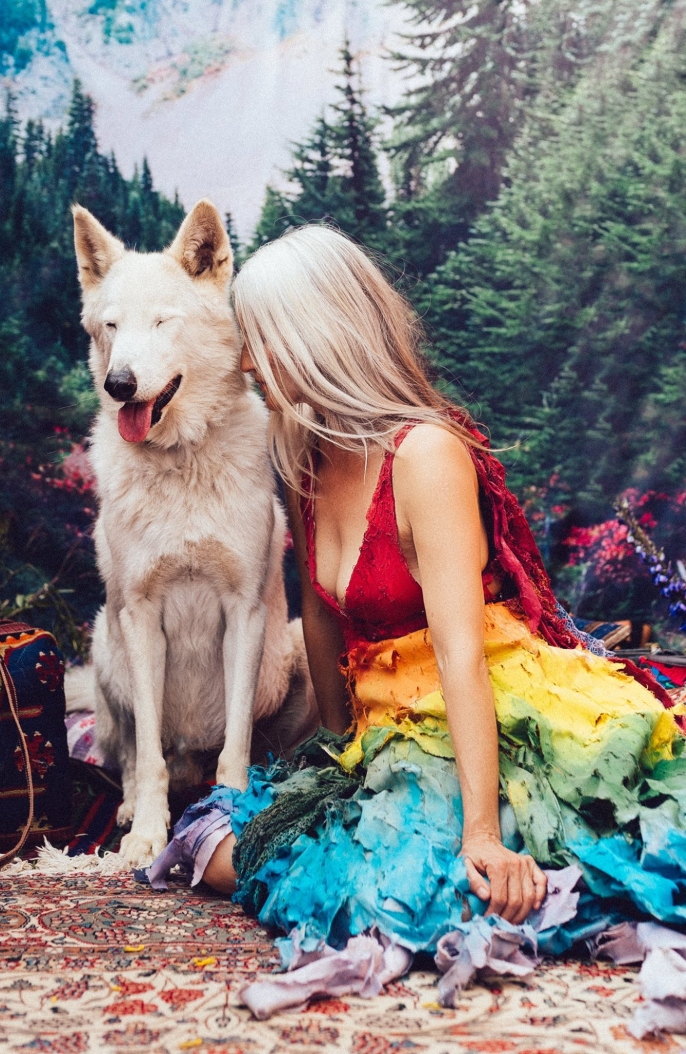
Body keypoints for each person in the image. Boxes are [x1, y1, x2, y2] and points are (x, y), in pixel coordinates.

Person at [145, 225, 686, 1003]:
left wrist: (481, 835)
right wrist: (338, 760)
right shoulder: (306, 450)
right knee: (218, 842)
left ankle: (536, 867)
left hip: (491, 708)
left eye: (261, 342)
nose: (248, 365)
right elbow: (321, 616)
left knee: (393, 898)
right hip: (391, 728)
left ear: (315, 338)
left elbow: (461, 656)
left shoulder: (425, 452)